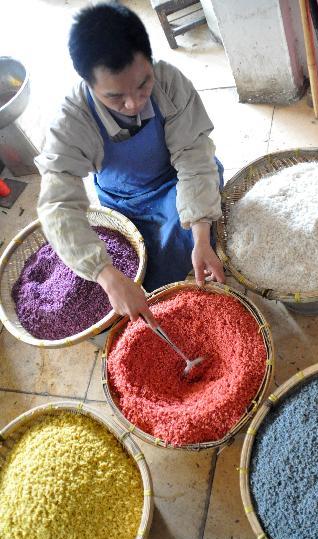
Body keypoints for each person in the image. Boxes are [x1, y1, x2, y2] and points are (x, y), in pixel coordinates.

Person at [35, 1, 225, 325]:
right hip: (124, 201)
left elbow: (193, 156)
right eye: (114, 97)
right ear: (88, 85)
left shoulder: (168, 82)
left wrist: (202, 235)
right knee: (138, 268)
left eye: (143, 84)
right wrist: (106, 276)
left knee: (188, 229)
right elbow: (57, 207)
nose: (134, 103)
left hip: (173, 180)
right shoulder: (70, 121)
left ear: (150, 61)